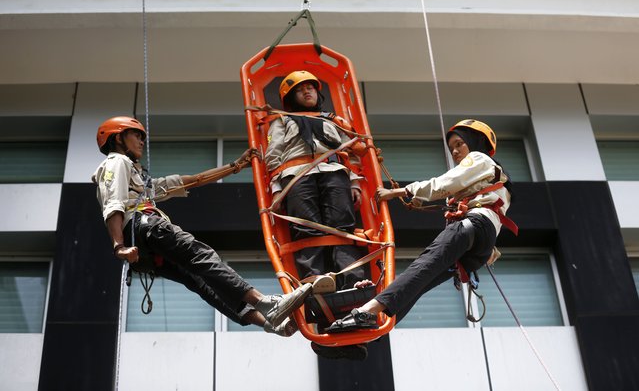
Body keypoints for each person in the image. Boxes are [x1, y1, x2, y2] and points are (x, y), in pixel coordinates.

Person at [92, 116, 312, 336]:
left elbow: (191, 180)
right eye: (136, 135)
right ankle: (265, 302)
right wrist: (118, 245)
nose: (142, 141)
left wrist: (234, 166)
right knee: (202, 256)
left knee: (200, 281)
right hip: (145, 227)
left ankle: (269, 323)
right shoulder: (117, 162)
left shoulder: (139, 179)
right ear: (119, 138)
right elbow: (113, 203)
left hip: (144, 248)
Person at [327, 119, 516, 332]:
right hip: (481, 243)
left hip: (472, 225)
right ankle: (374, 330)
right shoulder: (495, 176)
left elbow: (445, 184)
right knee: (420, 284)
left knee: (421, 268)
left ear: (476, 141)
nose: (454, 152)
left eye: (459, 144)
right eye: (452, 147)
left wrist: (401, 191)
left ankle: (366, 312)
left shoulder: (478, 159)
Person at [265, 71, 373, 358]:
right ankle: (315, 279)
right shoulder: (281, 121)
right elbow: (273, 158)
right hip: (296, 176)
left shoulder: (331, 121)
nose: (308, 91)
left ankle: (354, 283)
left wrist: (353, 182)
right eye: (302, 89)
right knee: (308, 232)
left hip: (334, 172)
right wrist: (277, 190)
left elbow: (347, 152)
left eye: (312, 87)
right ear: (290, 97)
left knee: (343, 229)